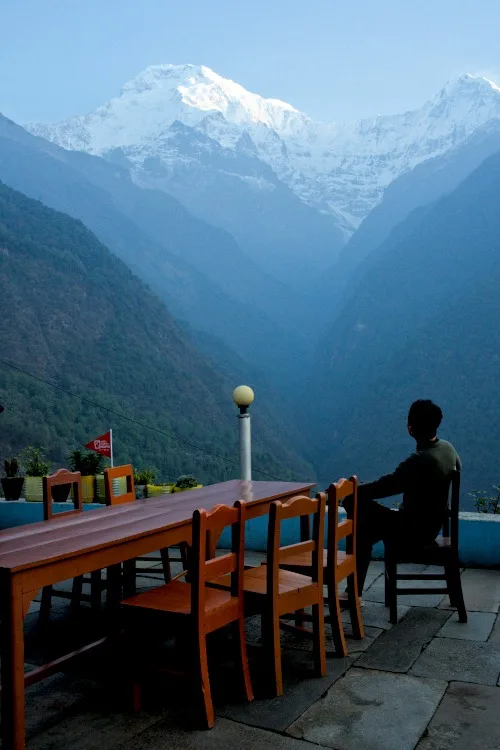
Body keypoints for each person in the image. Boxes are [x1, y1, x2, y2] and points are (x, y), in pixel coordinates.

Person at [342, 399, 461, 594]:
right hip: (431, 527)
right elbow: (458, 468)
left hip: (411, 532)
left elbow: (385, 486)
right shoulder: (447, 448)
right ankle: (353, 590)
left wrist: (351, 489)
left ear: (410, 427)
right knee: (363, 530)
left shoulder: (420, 460)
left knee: (354, 505)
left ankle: (353, 591)